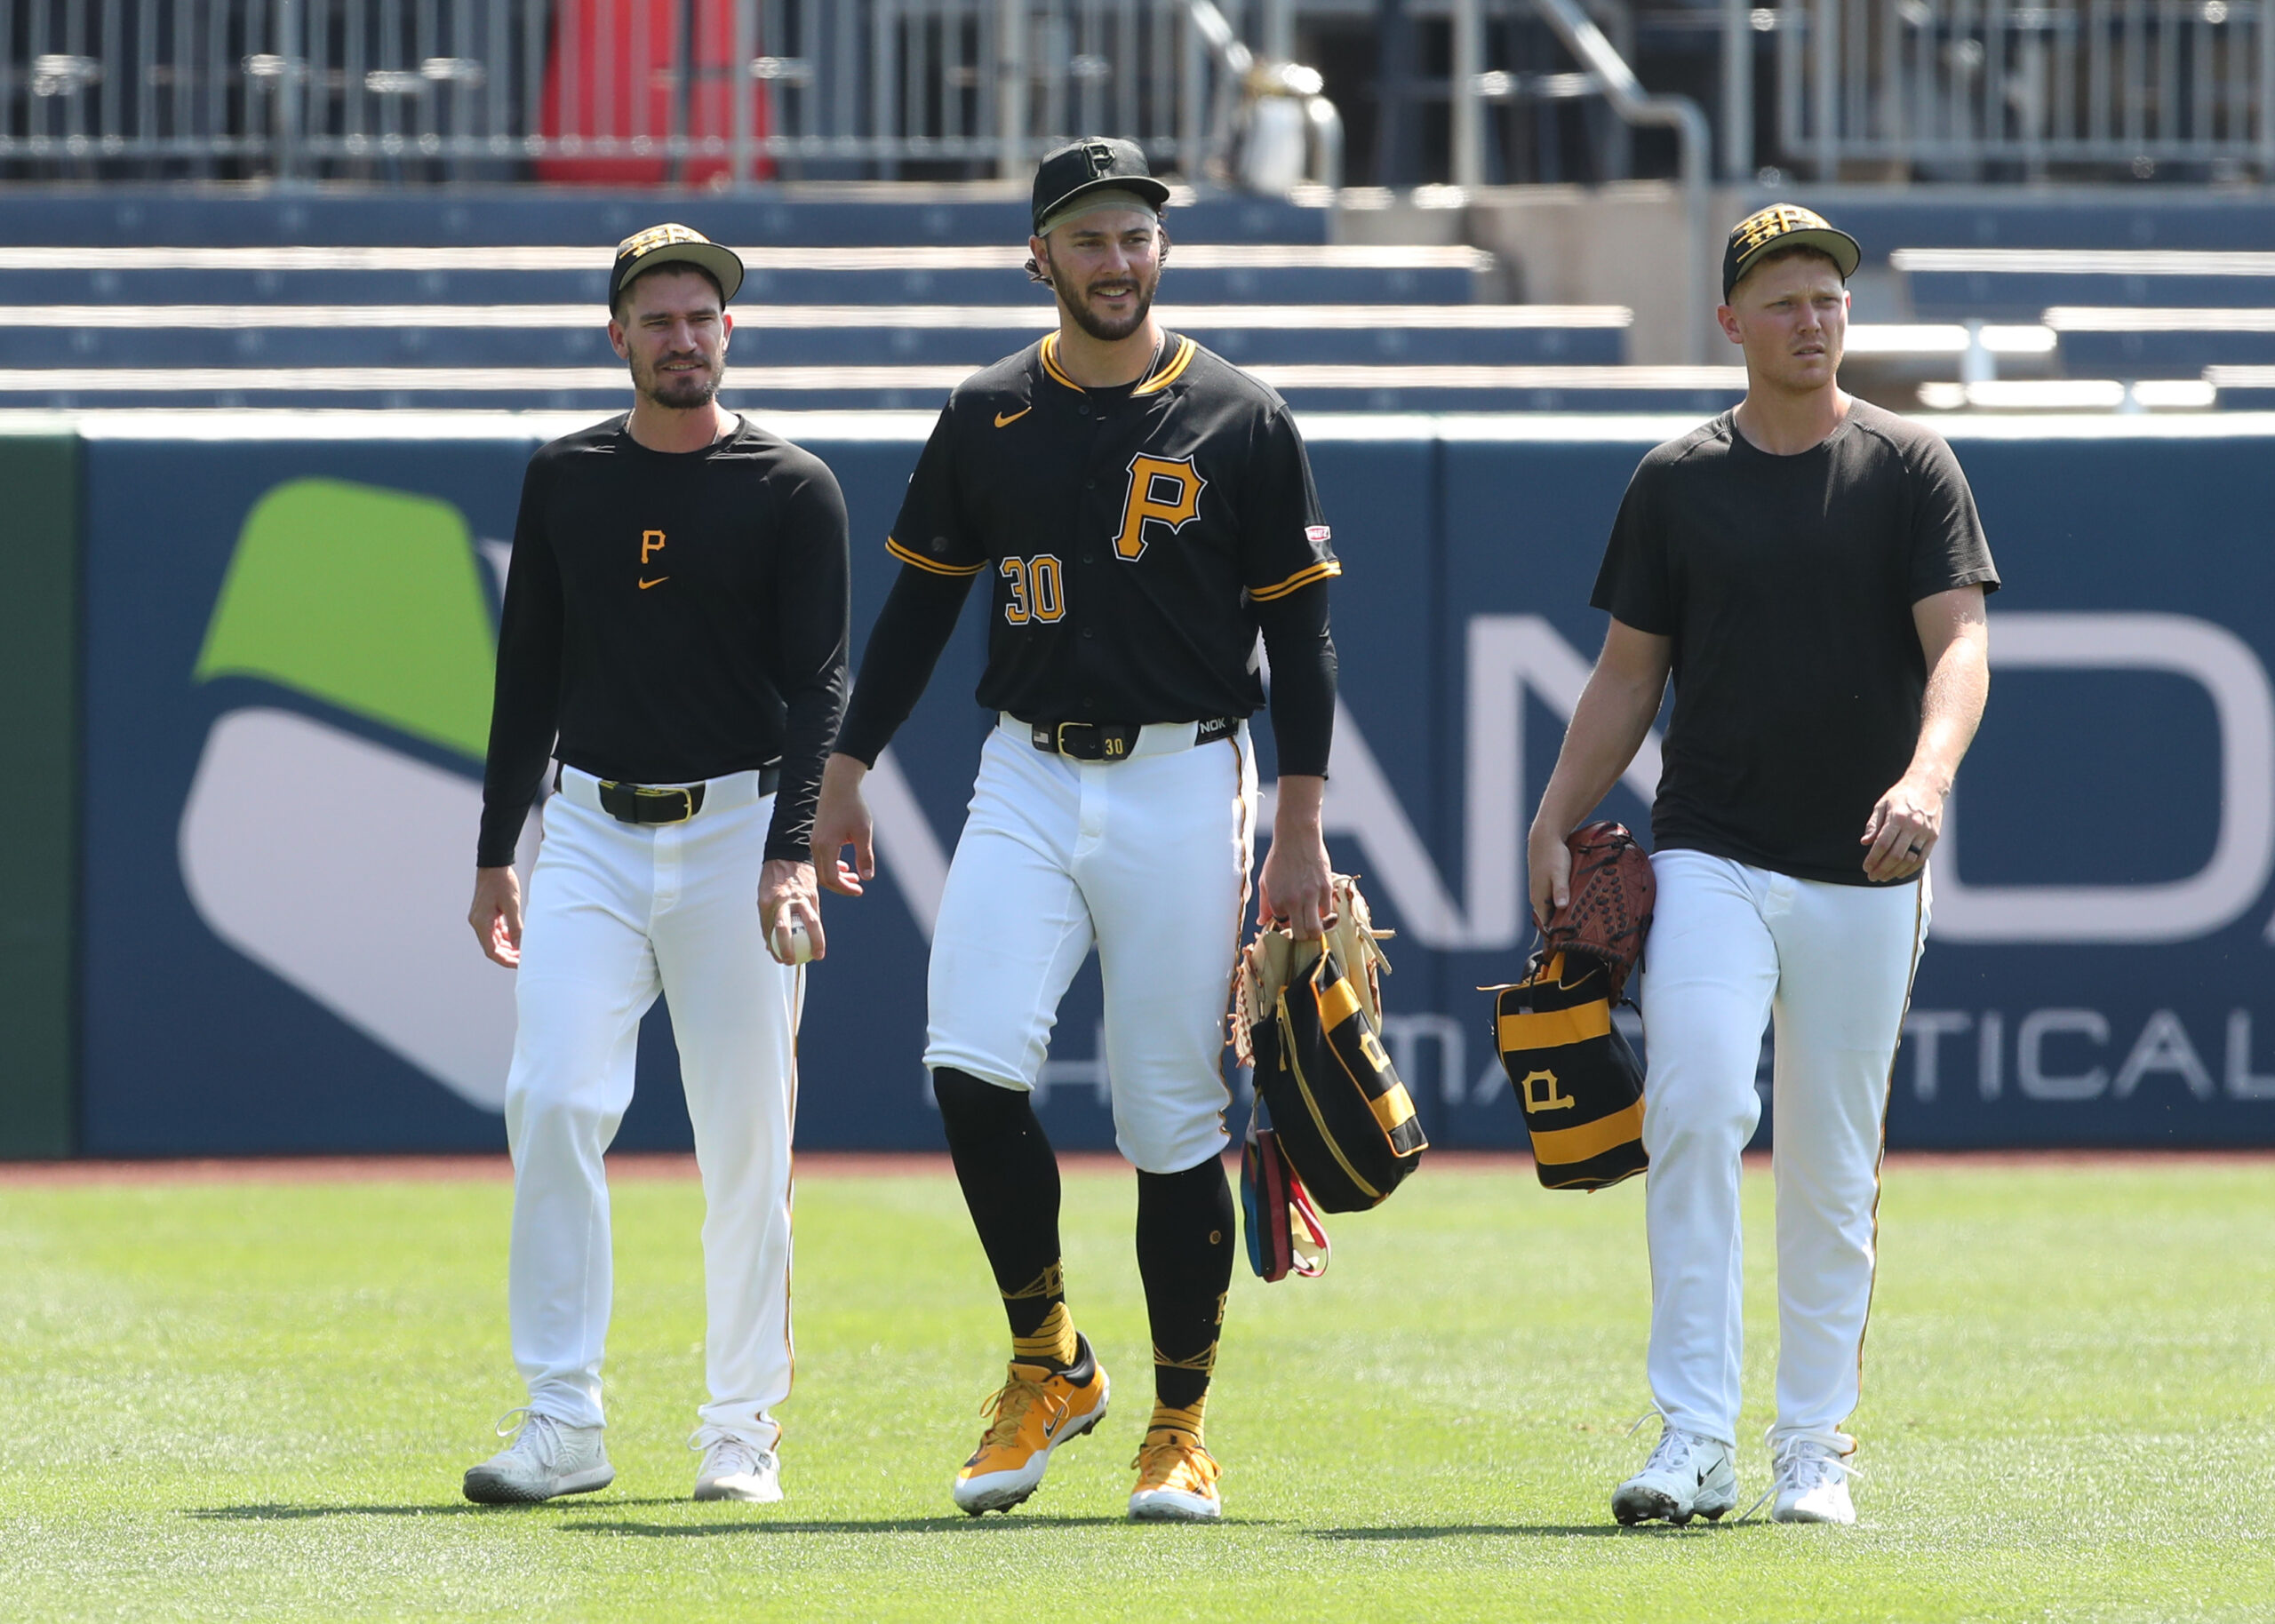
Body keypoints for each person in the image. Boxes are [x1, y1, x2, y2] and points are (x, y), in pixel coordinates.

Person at [809, 138, 1340, 1523]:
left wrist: (1301, 823)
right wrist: (850, 760)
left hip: (1185, 775)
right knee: (970, 1062)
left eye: (1137, 236)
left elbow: (1302, 635)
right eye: (1089, 238)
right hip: (1029, 770)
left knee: (1170, 1116)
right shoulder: (988, 409)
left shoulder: (1238, 411)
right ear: (1038, 256)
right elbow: (924, 605)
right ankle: (1050, 1358)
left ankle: (1179, 1423)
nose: (1119, 261)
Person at [1527, 204, 1997, 1527]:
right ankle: (1690, 1440)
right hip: (1714, 850)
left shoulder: (1910, 465)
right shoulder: (1678, 479)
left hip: (1866, 859)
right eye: (1782, 299)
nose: (1811, 318)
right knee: (1691, 1107)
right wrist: (1554, 814)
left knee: (1833, 1166)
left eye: (1827, 297)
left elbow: (1960, 648)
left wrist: (1927, 776)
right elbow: (1630, 675)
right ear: (1728, 322)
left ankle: (1814, 1447)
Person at [461, 223, 850, 1507]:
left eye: (704, 316)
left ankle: (741, 1427)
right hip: (585, 828)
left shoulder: (794, 485)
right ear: (616, 335)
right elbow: (528, 674)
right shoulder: (563, 476)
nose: (684, 336)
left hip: (740, 829)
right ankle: (563, 1421)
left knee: (747, 1141)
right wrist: (495, 851)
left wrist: (791, 849)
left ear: (727, 333)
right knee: (557, 1099)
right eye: (660, 317)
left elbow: (819, 685)